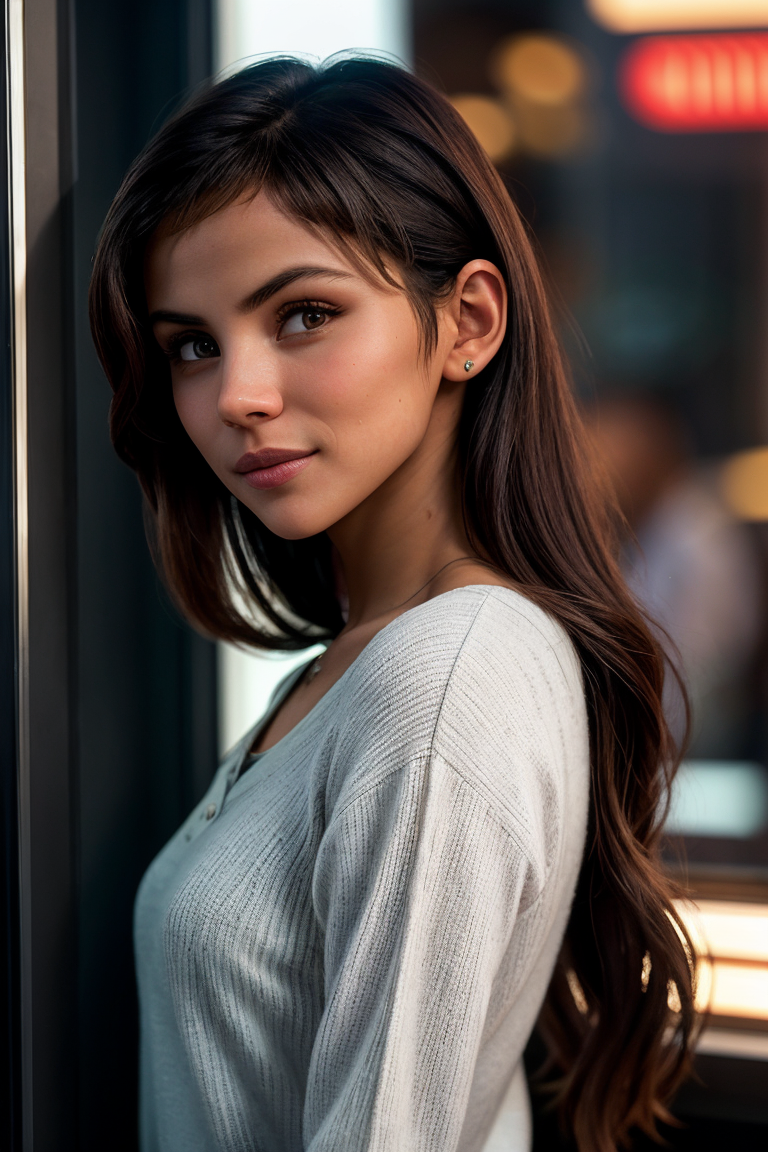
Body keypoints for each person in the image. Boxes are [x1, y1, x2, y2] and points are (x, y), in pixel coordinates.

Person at [89, 57, 697, 1152]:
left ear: (468, 319)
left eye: (305, 313)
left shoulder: (445, 674)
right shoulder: (356, 668)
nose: (237, 395)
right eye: (192, 344)